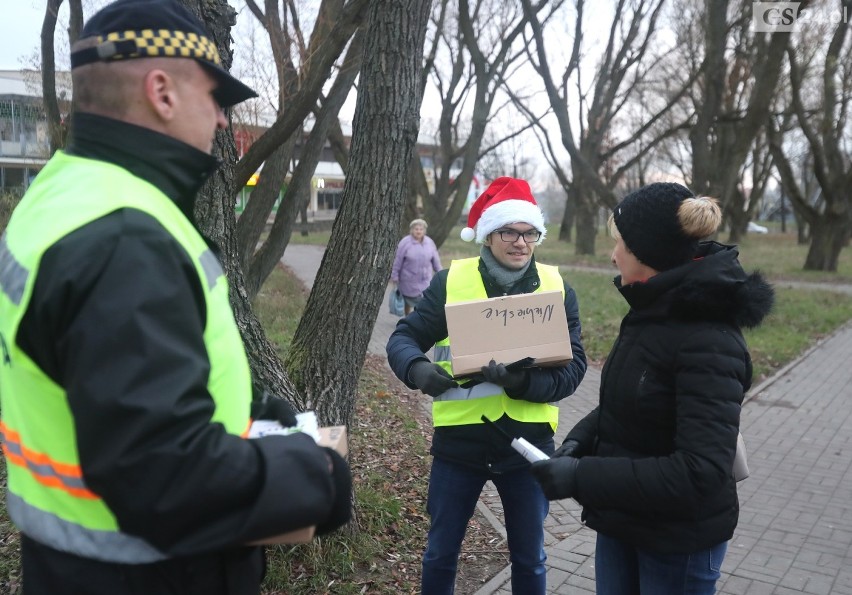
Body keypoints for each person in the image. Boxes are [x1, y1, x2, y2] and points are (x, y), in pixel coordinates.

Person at [0, 1, 351, 593]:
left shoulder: (62, 193)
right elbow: (166, 478)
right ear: (161, 91)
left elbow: (129, 381)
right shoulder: (123, 236)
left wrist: (257, 414)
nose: (221, 121)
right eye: (215, 98)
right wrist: (320, 477)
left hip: (71, 565)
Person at [530, 182, 775, 595]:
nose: (613, 254)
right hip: (625, 523)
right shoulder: (651, 310)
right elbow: (630, 403)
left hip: (678, 544)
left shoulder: (708, 339)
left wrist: (581, 477)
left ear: (648, 252)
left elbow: (700, 472)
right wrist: (576, 445)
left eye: (620, 243)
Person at [386, 177, 587, 595]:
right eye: (509, 231)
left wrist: (522, 382)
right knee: (441, 554)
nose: (520, 242)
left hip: (528, 448)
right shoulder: (452, 283)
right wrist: (417, 370)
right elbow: (402, 339)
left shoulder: (557, 289)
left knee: (530, 560)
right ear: (488, 234)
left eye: (529, 232)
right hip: (459, 447)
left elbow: (574, 371)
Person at [391, 218, 442, 315]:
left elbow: (436, 260)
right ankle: (407, 319)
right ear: (411, 230)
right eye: (416, 229)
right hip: (408, 280)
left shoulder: (429, 242)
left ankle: (417, 320)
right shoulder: (405, 243)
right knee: (408, 302)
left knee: (423, 301)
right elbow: (397, 260)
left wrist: (440, 273)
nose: (418, 231)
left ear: (424, 231)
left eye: (421, 229)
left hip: (425, 280)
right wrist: (395, 275)